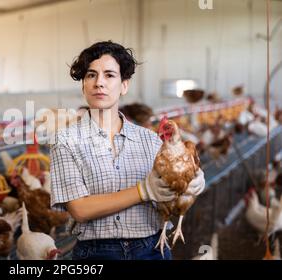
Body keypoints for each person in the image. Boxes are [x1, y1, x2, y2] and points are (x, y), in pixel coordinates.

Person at [49, 41, 205, 260]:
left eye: (110, 75)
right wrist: (142, 191)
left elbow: (175, 184)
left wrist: (193, 179)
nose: (99, 83)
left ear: (124, 85)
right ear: (83, 84)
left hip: (152, 247)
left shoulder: (151, 140)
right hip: (96, 253)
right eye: (91, 75)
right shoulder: (66, 141)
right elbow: (79, 209)